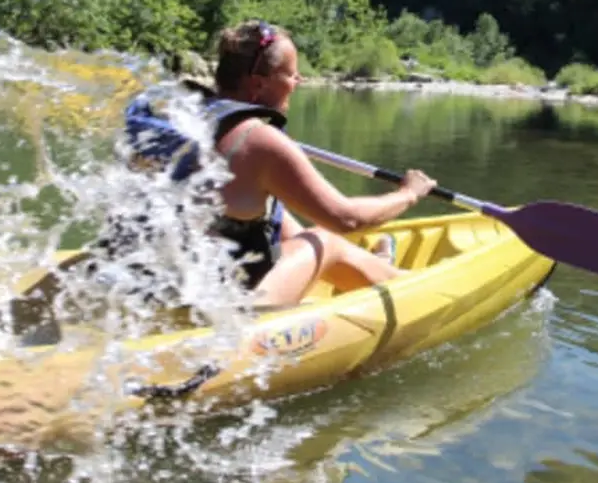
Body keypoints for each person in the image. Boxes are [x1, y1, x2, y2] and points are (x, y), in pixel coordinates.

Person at [126, 20, 437, 307]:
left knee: (307, 237)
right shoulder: (258, 140)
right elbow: (346, 220)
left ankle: (382, 269)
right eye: (291, 74)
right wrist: (408, 194)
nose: (298, 81)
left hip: (162, 290)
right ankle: (422, 295)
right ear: (260, 83)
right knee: (324, 241)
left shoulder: (183, 121)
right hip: (229, 310)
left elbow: (273, 228)